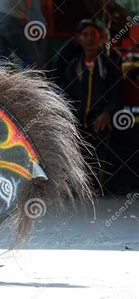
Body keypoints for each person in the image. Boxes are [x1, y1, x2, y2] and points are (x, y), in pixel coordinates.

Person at [61, 20, 123, 189]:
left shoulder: (110, 65)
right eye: (85, 35)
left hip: (99, 121)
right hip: (76, 121)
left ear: (100, 38)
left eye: (93, 35)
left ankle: (100, 185)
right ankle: (75, 186)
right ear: (79, 39)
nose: (89, 39)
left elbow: (117, 95)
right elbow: (63, 94)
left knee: (106, 142)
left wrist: (107, 114)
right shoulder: (71, 66)